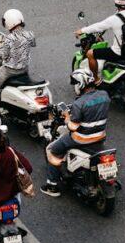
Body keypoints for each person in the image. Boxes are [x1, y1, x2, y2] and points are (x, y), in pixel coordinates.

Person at [42, 68, 109, 197]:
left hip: (81, 139)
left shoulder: (79, 104)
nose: (74, 87)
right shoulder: (104, 95)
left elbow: (73, 126)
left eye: (75, 84)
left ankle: (52, 186)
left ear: (81, 84)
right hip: (100, 136)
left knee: (53, 150)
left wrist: (67, 116)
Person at [75, 0, 125, 84]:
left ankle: (96, 79)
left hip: (119, 52)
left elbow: (98, 26)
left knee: (90, 53)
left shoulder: (114, 19)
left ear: (116, 2)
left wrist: (81, 31)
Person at [0, 9, 37, 115]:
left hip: (9, 71)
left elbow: (3, 56)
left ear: (8, 23)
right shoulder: (30, 34)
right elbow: (33, 44)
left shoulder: (8, 39)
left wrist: (1, 43)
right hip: (24, 69)